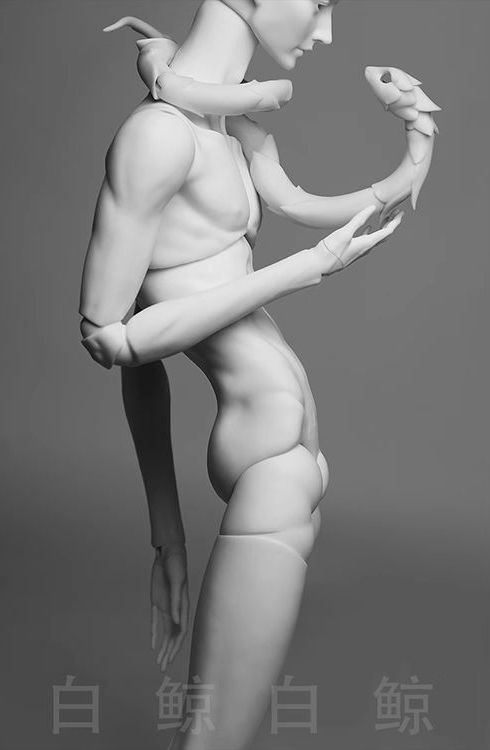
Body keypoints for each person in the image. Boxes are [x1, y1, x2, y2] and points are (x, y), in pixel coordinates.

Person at [79, 1, 411, 747]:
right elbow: (112, 339)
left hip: (293, 463)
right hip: (265, 460)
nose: (326, 31)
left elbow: (145, 371)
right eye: (318, 3)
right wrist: (301, 270)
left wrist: (168, 536)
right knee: (210, 739)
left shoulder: (223, 131)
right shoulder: (159, 137)